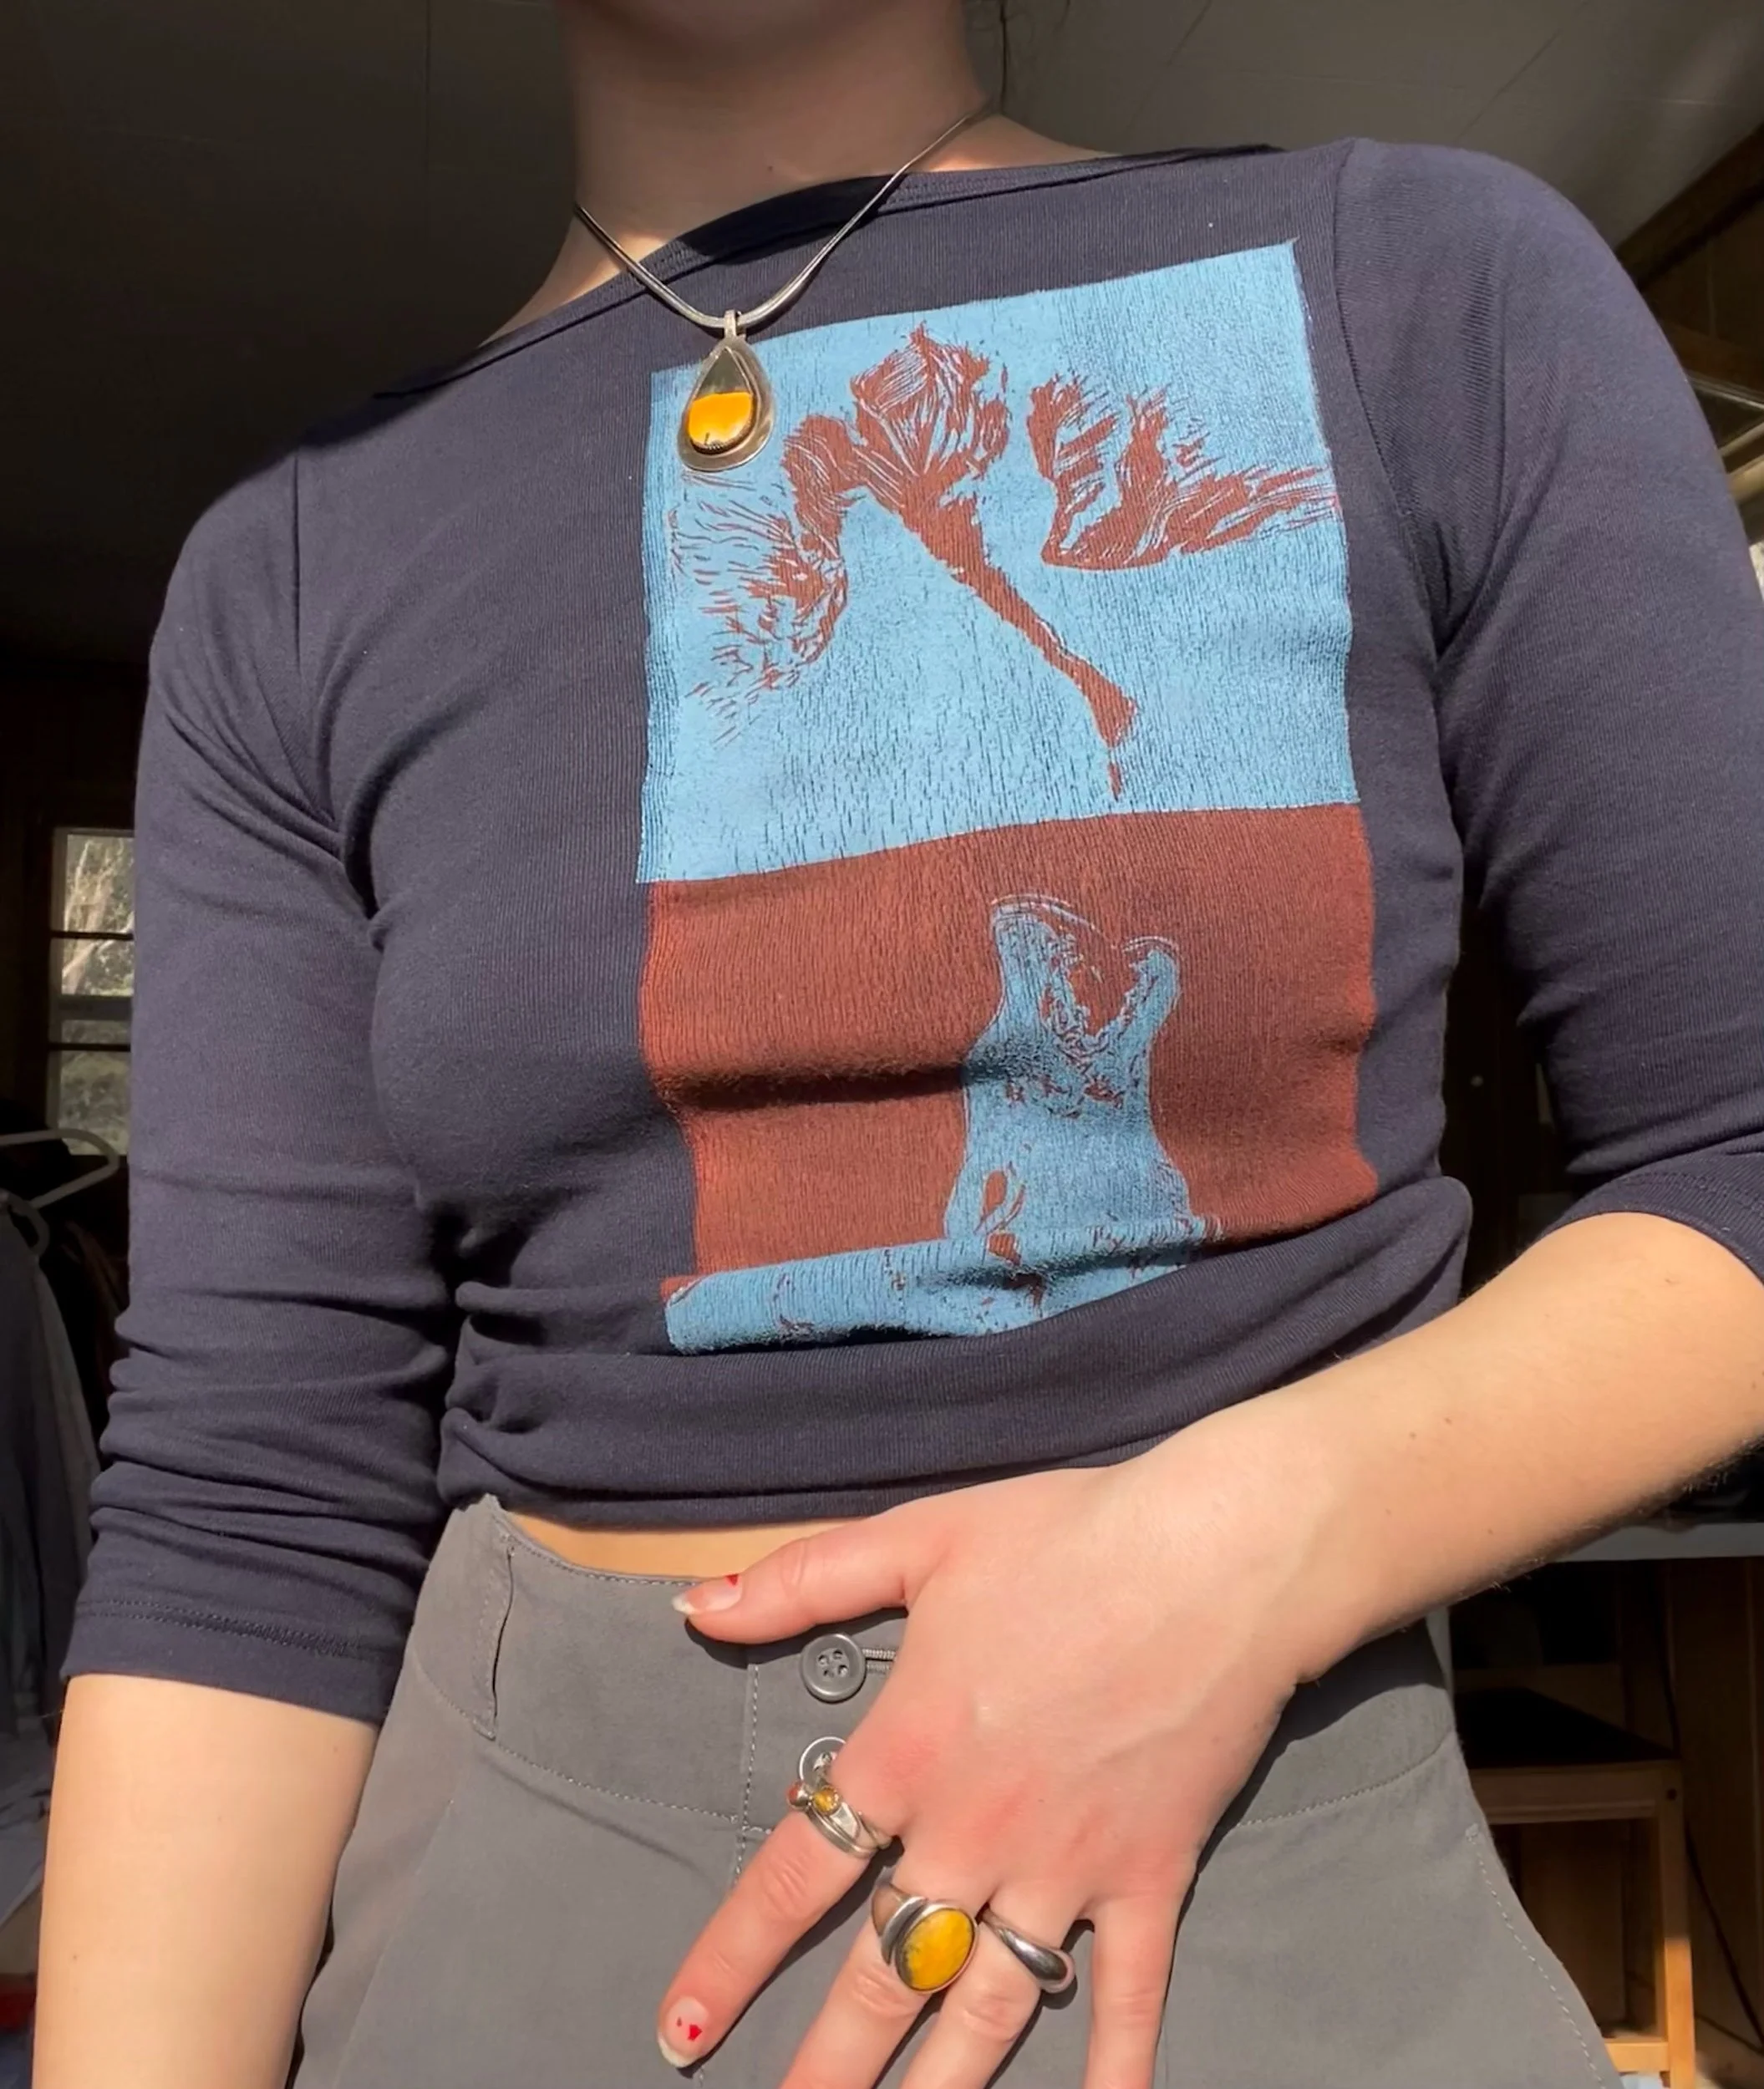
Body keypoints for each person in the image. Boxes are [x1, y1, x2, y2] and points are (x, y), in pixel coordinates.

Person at [33, 0, 1764, 2083]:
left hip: (1254, 1887)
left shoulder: (1422, 290)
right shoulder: (298, 565)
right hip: (519, 1913)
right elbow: (251, 1494)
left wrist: (1233, 1547)